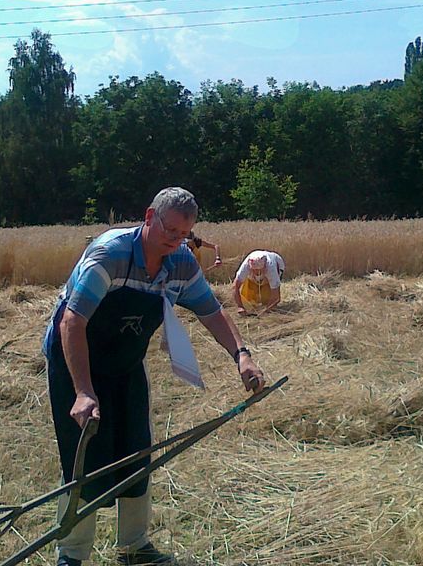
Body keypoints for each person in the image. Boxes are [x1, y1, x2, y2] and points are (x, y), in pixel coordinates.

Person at [43, 187, 265, 566]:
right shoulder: (110, 255)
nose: (175, 241)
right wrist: (83, 392)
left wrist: (241, 356)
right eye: (170, 230)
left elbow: (211, 312)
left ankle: (134, 548)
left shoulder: (181, 264)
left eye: (184, 235)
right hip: (75, 359)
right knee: (83, 457)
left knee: (137, 451)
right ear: (149, 217)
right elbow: (72, 322)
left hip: (126, 363)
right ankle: (73, 554)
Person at [233, 250, 286, 315]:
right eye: (254, 270)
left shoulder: (271, 269)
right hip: (252, 278)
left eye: (259, 270)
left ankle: (267, 307)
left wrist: (265, 312)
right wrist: (240, 307)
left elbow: (276, 297)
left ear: (265, 266)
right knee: (249, 299)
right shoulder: (246, 266)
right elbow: (235, 287)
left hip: (274, 269)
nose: (257, 273)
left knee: (266, 299)